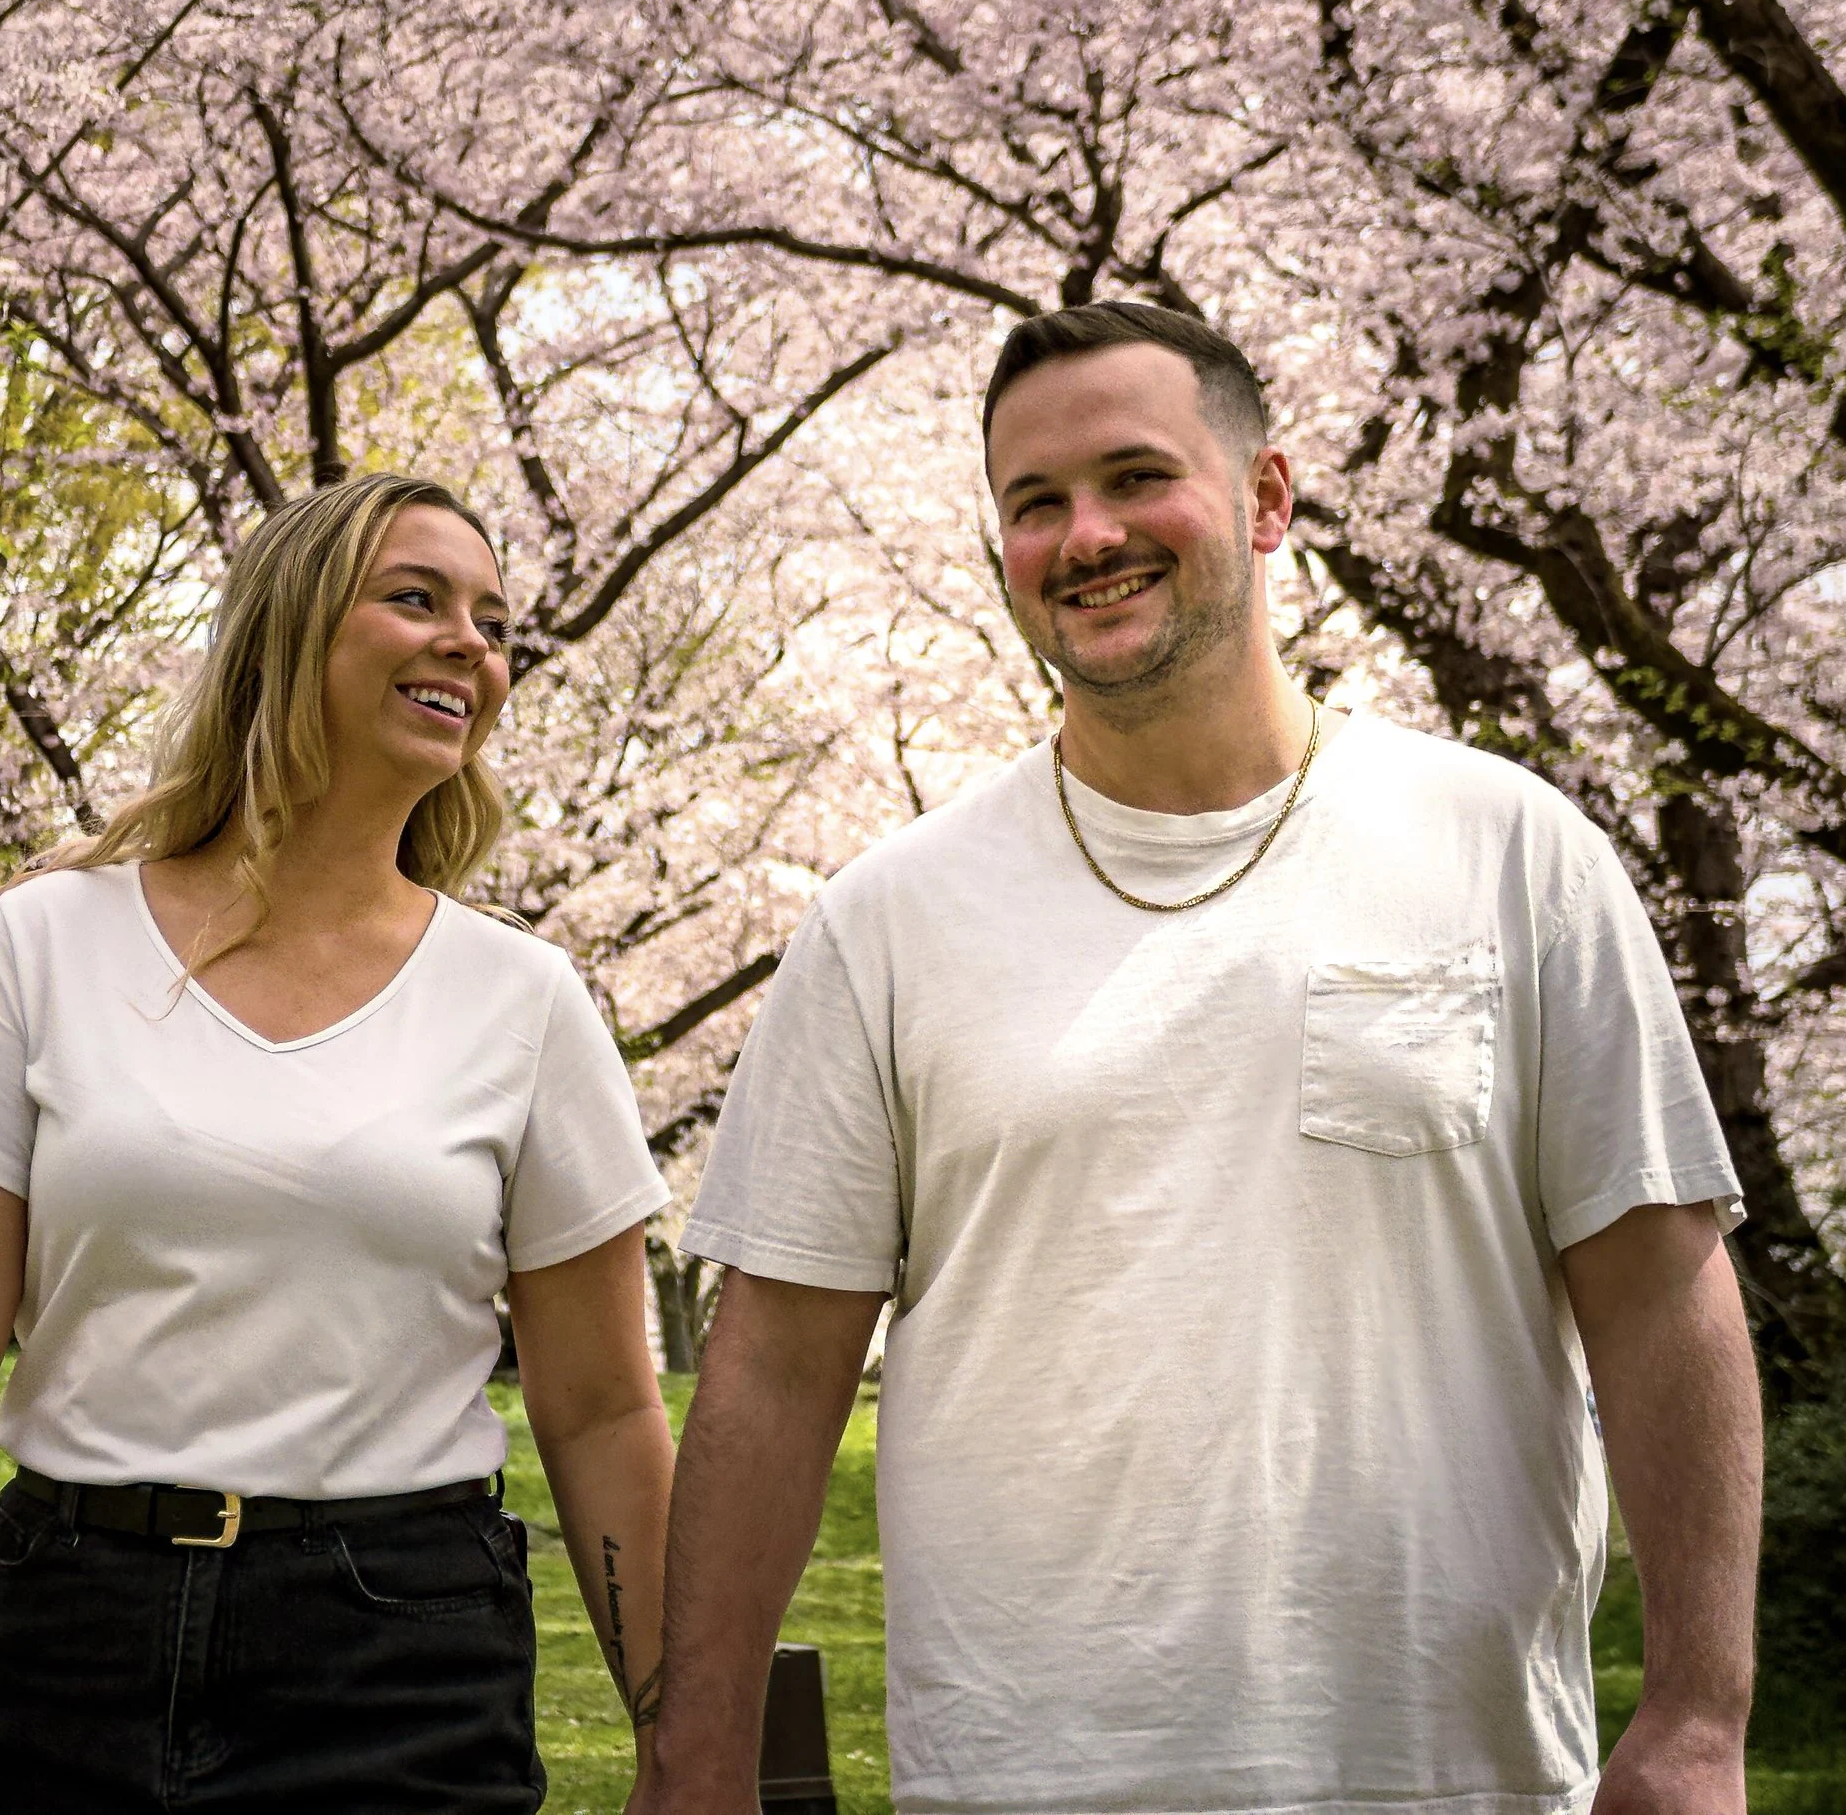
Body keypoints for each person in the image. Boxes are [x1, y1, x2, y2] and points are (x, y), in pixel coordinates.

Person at [638, 304, 1761, 1815]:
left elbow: (1657, 1280)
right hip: (1024, 1774)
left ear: (1269, 497)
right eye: (1035, 504)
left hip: (1451, 1773)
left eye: (1133, 477)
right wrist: (696, 1755)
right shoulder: (886, 920)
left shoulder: (1511, 852)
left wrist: (1698, 1715)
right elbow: (776, 1361)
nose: (1086, 534)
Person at [0, 473, 675, 1815]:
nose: (473, 641)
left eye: (494, 620)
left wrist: (676, 1728)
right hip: (70, 1639)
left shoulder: (526, 1003)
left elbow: (602, 1404)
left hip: (397, 1652)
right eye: (418, 599)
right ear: (287, 633)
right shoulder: (48, 942)